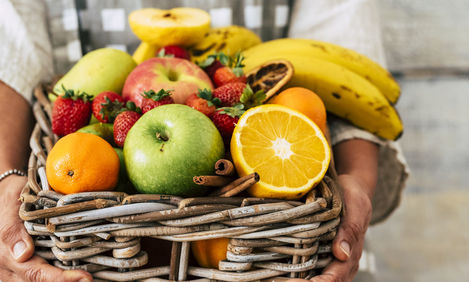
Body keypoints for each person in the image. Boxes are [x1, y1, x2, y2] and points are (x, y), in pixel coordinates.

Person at [0, 0, 408, 281]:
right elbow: (10, 41)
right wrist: (4, 174)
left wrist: (354, 176)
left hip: (274, 244)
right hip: (82, 233)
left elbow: (342, 32)